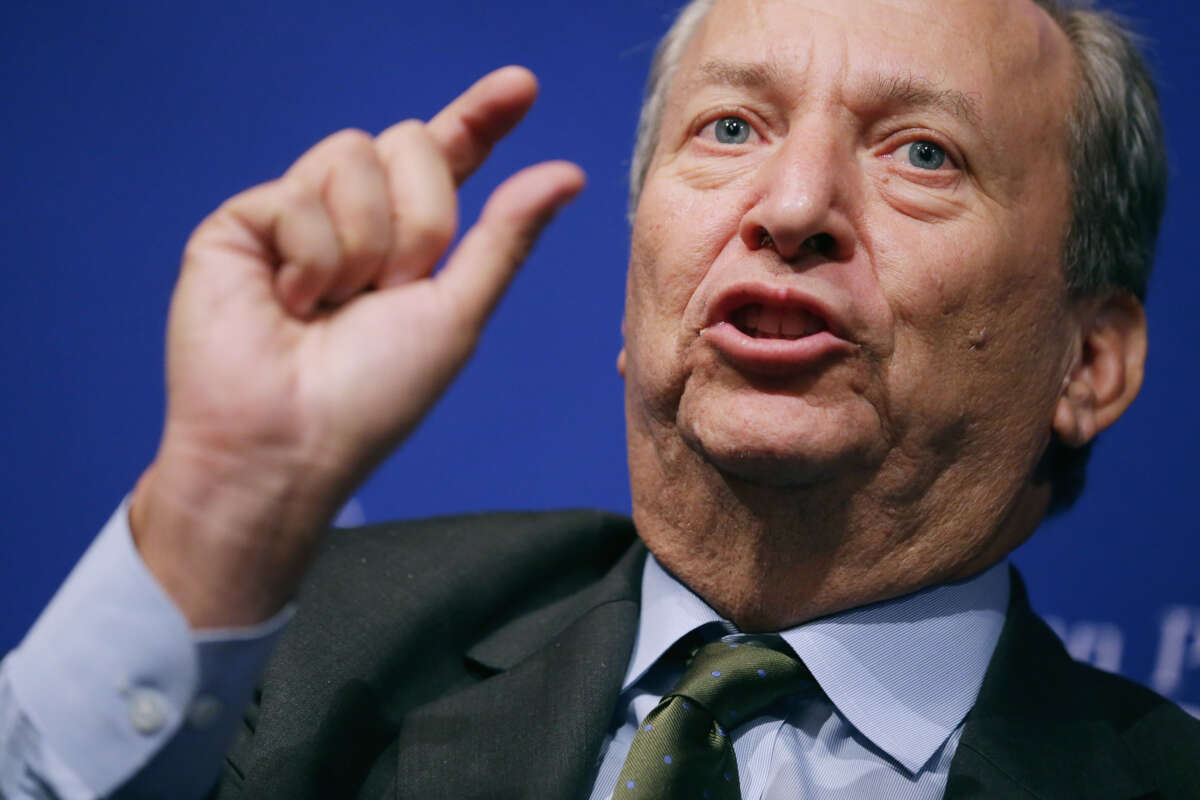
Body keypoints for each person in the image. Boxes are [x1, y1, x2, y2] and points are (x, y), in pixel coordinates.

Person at [3, 0, 1198, 797]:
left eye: (922, 153)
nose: (790, 205)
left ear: (1089, 361)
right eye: (731, 126)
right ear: (639, 287)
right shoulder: (296, 650)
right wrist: (221, 504)